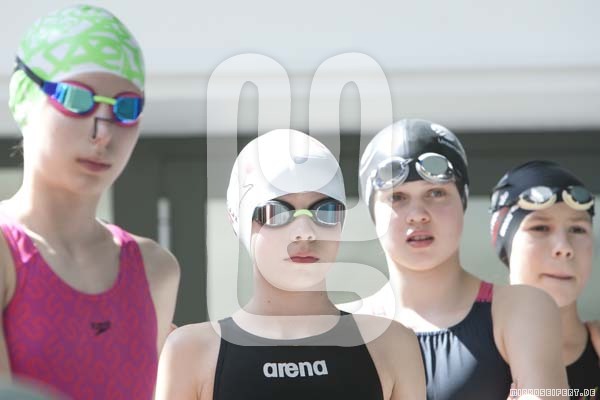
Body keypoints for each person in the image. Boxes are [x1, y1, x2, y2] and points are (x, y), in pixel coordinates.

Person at [156, 129, 426, 400]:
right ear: (237, 220)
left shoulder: (391, 345)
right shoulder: (191, 353)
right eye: (276, 212)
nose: (304, 232)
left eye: (325, 210)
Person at [0, 5, 180, 399]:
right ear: (23, 96)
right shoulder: (6, 254)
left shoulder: (155, 270)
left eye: (126, 108)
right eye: (76, 99)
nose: (103, 132)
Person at [344, 119, 568, 399]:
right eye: (397, 197)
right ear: (373, 214)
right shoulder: (344, 328)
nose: (418, 214)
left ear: (463, 201)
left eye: (436, 193)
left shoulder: (522, 309)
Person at [490, 161, 599, 398]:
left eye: (578, 229)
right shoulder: (462, 357)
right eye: (540, 228)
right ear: (506, 247)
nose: (564, 247)